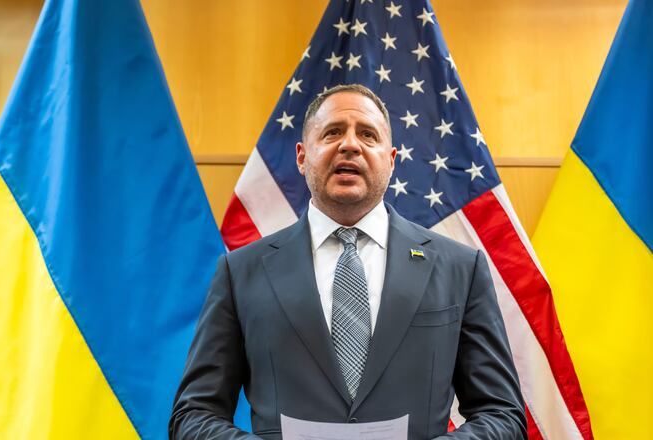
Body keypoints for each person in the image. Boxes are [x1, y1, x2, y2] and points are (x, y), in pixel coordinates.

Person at [169, 84, 526, 439]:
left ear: (391, 160)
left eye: (368, 135)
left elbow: (502, 414)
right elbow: (194, 414)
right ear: (302, 156)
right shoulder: (240, 272)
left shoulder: (460, 269)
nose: (350, 145)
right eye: (333, 132)